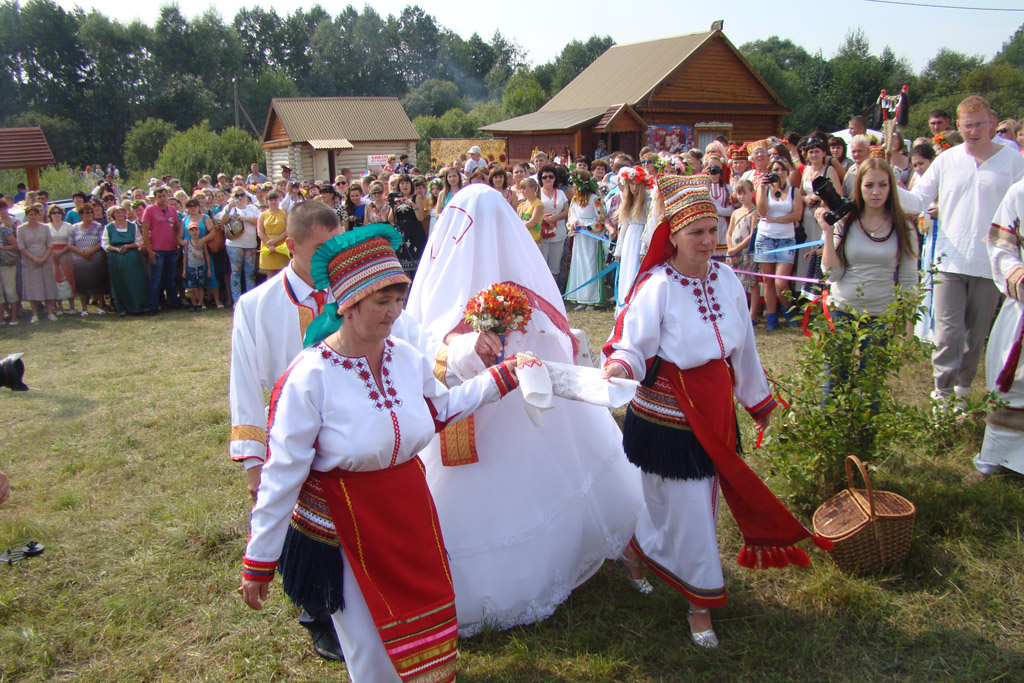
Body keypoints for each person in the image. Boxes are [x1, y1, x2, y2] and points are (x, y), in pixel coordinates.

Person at [241, 223, 521, 682]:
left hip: (411, 516)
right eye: (381, 302)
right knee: (374, 647)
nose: (393, 314)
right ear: (347, 304)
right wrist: (260, 560)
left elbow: (438, 412)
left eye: (397, 301)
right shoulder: (310, 376)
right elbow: (282, 475)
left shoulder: (406, 358)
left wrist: (500, 379)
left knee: (432, 625)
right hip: (349, 526)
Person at [405, 184, 643, 637]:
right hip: (491, 414)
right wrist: (466, 346)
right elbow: (423, 344)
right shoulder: (507, 290)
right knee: (531, 485)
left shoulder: (503, 289)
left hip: (517, 413)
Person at [602, 173, 828, 649]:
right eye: (696, 232)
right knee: (663, 498)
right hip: (664, 412)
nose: (708, 241)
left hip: (714, 407)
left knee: (697, 507)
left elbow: (744, 350)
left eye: (712, 229)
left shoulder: (727, 278)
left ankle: (690, 595)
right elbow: (630, 344)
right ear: (673, 235)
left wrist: (757, 400)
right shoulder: (657, 285)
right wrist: (621, 365)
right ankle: (653, 561)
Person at [900, 95, 1024, 408]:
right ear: (958, 126)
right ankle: (941, 395)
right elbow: (918, 200)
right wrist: (886, 190)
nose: (973, 131)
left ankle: (963, 393)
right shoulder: (947, 160)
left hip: (989, 264)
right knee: (946, 332)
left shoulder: (1014, 164)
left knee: (975, 336)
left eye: (980, 124)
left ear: (992, 123)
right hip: (948, 262)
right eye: (967, 125)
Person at [814, 158, 919, 391]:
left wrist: (908, 325)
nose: (876, 192)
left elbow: (909, 279)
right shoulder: (846, 221)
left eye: (883, 185)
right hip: (843, 309)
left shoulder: (904, 226)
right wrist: (828, 234)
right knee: (833, 381)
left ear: (891, 187)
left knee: (871, 385)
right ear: (859, 186)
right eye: (869, 185)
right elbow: (832, 274)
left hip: (882, 314)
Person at [976, 176, 1024, 475]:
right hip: (1022, 307)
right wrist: (1017, 273)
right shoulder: (1020, 191)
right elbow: (1002, 248)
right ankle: (1000, 457)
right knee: (1014, 384)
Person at [754, 158, 803, 330]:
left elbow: (797, 215)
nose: (779, 172)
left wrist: (776, 219)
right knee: (768, 282)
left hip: (787, 239)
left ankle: (790, 312)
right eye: (775, 169)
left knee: (781, 282)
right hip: (765, 237)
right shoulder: (765, 189)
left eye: (782, 169)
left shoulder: (794, 191)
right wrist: (761, 187)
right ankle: (772, 319)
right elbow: (761, 211)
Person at [565, 170, 608, 310]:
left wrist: (587, 227)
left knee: (590, 265)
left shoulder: (594, 199)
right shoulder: (575, 200)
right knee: (580, 265)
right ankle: (581, 297)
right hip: (579, 237)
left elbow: (601, 217)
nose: (574, 187)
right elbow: (571, 214)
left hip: (591, 237)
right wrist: (573, 223)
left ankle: (592, 298)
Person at [614, 167, 652, 312]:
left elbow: (650, 224)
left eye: (637, 184)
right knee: (627, 270)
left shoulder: (648, 201)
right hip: (630, 237)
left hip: (641, 237)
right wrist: (619, 249)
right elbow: (623, 226)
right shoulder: (627, 201)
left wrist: (644, 247)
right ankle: (624, 304)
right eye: (632, 184)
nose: (634, 188)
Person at [141, 187, 183, 315]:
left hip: (171, 249)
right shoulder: (149, 210)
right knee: (156, 279)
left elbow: (175, 229)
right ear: (155, 198)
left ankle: (173, 302)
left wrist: (177, 245)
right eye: (160, 196)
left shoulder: (172, 210)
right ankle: (153, 306)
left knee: (171, 278)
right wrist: (150, 251)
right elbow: (145, 232)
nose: (163, 198)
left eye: (164, 195)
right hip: (157, 250)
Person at [102, 203, 148, 316]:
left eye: (122, 212)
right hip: (116, 258)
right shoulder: (109, 228)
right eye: (117, 212)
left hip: (132, 257)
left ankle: (138, 306)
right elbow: (105, 244)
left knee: (135, 282)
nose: (120, 214)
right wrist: (116, 249)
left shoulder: (132, 226)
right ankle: (121, 308)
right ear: (113, 215)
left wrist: (128, 246)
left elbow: (139, 241)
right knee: (119, 282)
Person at [725, 179, 760, 324]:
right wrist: (731, 250)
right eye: (739, 194)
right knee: (733, 282)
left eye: (744, 193)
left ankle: (752, 314)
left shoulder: (755, 212)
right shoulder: (735, 212)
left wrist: (738, 249)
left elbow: (752, 234)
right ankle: (736, 312)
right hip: (733, 251)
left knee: (751, 282)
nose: (741, 197)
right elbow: (729, 232)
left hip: (746, 252)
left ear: (752, 192)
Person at [16, 204, 58, 322]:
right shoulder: (21, 229)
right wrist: (34, 258)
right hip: (29, 262)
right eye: (30, 215)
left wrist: (44, 258)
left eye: (35, 214)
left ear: (38, 215)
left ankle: (50, 312)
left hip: (45, 260)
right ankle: (35, 314)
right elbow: (21, 247)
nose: (33, 217)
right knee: (32, 287)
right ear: (27, 216)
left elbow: (49, 245)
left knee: (47, 285)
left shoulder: (45, 228)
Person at [183, 197, 224, 309]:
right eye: (190, 206)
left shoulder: (205, 218)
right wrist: (183, 243)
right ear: (187, 208)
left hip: (204, 249)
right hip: (190, 252)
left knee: (210, 275)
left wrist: (202, 240)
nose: (193, 208)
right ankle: (200, 303)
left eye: (195, 205)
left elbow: (213, 232)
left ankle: (217, 301)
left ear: (198, 206)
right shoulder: (185, 220)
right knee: (194, 278)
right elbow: (179, 236)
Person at [221, 188, 260, 305]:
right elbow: (222, 221)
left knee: (250, 273)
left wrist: (245, 219)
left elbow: (260, 221)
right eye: (236, 195)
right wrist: (228, 209)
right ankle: (236, 301)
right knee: (235, 272)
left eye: (242, 195)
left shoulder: (252, 208)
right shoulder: (229, 209)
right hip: (234, 245)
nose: (239, 197)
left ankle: (250, 301)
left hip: (250, 244)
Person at [68, 203, 108, 316]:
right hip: (80, 260)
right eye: (87, 213)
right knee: (82, 284)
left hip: (96, 258)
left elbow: (101, 241)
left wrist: (90, 252)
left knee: (98, 283)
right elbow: (70, 244)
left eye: (91, 212)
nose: (90, 214)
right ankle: (84, 309)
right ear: (81, 214)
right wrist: (82, 253)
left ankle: (101, 307)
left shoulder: (99, 226)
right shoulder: (74, 227)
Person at [391, 174, 426, 280]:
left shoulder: (416, 197)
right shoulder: (396, 199)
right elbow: (391, 219)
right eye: (402, 183)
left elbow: (420, 217)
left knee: (415, 263)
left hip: (414, 231)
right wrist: (395, 206)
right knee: (403, 265)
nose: (405, 185)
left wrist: (413, 205)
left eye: (407, 183)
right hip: (401, 231)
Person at [537, 164, 569, 279]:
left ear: (555, 178)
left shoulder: (560, 193)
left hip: (558, 232)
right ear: (540, 179)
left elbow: (566, 210)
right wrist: (543, 218)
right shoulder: (536, 193)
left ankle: (554, 294)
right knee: (541, 265)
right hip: (541, 233)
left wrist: (555, 217)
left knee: (555, 266)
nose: (548, 179)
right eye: (544, 177)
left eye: (551, 176)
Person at [47, 205, 76, 315]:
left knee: (68, 278)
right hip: (52, 255)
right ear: (50, 215)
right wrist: (52, 253)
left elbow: (71, 242)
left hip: (66, 254)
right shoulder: (47, 227)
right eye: (54, 213)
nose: (56, 215)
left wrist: (62, 252)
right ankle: (59, 307)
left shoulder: (68, 226)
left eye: (58, 212)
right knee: (56, 280)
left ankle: (72, 306)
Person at [257, 190, 289, 277]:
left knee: (282, 274)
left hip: (281, 244)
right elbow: (260, 232)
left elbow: (287, 230)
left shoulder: (284, 213)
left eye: (275, 200)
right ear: (267, 201)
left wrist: (275, 241)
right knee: (270, 275)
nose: (273, 202)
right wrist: (269, 244)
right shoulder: (263, 215)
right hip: (267, 245)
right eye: (271, 200)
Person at [183, 222, 211, 313]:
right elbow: (185, 256)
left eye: (196, 230)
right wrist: (184, 269)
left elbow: (207, 255)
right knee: (191, 288)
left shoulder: (202, 242)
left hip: (201, 267)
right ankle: (194, 304)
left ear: (199, 231)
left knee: (201, 287)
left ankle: (200, 304)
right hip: (190, 267)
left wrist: (209, 268)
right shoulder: (187, 243)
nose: (194, 232)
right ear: (189, 232)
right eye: (192, 230)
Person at [0, 202, 18, 325]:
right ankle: (1, 319)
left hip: (6, 264)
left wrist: (3, 248)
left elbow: (15, 245)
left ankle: (14, 317)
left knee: (10, 291)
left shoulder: (4, 230)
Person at [517, 177, 544, 245]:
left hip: (534, 239)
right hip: (522, 238)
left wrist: (517, 227)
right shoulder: (521, 205)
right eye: (521, 189)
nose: (522, 191)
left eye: (524, 188)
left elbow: (533, 222)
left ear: (532, 188)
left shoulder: (538, 204)